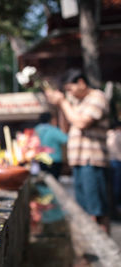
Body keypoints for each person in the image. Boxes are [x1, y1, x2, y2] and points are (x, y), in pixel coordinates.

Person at [45, 69, 110, 233]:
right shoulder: (78, 103)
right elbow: (65, 129)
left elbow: (81, 123)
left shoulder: (97, 97)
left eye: (70, 89)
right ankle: (93, 251)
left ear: (81, 82)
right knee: (85, 210)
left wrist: (63, 103)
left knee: (97, 211)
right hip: (79, 161)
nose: (69, 94)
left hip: (92, 160)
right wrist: (60, 106)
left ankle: (106, 251)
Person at [35, 112, 68, 179]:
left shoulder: (36, 130)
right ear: (51, 120)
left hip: (41, 159)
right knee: (53, 182)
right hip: (54, 159)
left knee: (44, 180)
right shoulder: (53, 130)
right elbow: (65, 139)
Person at [107, 123, 121, 216]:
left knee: (111, 186)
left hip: (108, 162)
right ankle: (117, 207)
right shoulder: (118, 135)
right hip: (118, 162)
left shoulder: (107, 135)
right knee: (117, 186)